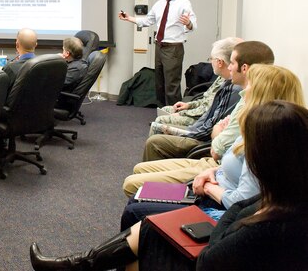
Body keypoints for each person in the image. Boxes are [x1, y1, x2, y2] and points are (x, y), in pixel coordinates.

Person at [30, 99, 308, 271]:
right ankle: (79, 264)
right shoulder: (287, 197)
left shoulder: (271, 224)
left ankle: (78, 264)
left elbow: (209, 259)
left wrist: (227, 214)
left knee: (147, 234)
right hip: (221, 227)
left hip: (208, 257)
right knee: (149, 227)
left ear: (268, 160)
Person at [120, 64, 305, 229]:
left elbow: (242, 200)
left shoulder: (263, 139)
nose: (243, 92)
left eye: (249, 86)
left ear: (261, 94)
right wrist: (213, 172)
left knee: (134, 207)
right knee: (136, 202)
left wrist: (208, 186)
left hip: (217, 204)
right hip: (214, 180)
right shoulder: (257, 125)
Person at [139, 40, 274, 167]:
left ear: (244, 68)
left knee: (155, 140)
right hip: (203, 133)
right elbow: (209, 109)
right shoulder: (234, 87)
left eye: (232, 63)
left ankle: (153, 183)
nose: (230, 67)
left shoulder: (237, 91)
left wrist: (188, 130)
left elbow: (214, 138)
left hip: (203, 142)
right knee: (158, 133)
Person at [144, 38, 242, 156]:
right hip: (199, 127)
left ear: (220, 62)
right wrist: (189, 106)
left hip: (199, 135)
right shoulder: (225, 81)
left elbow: (208, 122)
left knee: (156, 131)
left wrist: (185, 125)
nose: (210, 62)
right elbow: (207, 105)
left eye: (211, 59)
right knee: (162, 118)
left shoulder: (233, 88)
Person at [119, 0, 197, 107]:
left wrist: (188, 23)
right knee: (159, 83)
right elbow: (148, 21)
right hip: (159, 46)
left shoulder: (184, 3)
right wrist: (129, 18)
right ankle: (161, 114)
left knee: (171, 85)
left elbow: (193, 25)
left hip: (173, 48)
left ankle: (173, 117)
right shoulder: (159, 4)